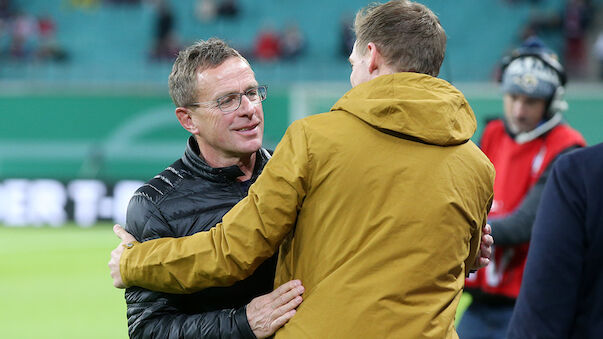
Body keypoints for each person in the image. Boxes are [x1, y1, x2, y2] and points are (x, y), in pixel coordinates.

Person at [110, 1, 495, 337]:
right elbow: (454, 258)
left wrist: (133, 262)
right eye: (228, 100)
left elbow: (232, 250)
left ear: (372, 57)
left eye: (353, 62)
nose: (248, 108)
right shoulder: (478, 166)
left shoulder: (313, 142)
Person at [122, 38, 305, 339]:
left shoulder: (294, 174)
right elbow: (148, 330)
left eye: (251, 93)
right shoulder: (155, 205)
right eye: (227, 100)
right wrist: (242, 323)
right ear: (188, 119)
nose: (248, 109)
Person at [458, 38, 586, 339]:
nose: (518, 110)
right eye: (513, 97)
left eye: (530, 101)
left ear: (551, 102)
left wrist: (461, 228)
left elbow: (524, 225)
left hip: (529, 302)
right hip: (480, 300)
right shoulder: (492, 133)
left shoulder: (567, 148)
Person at [506, 142, 603, 338]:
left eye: (530, 107)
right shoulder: (494, 133)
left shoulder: (580, 169)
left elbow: (541, 315)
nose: (519, 111)